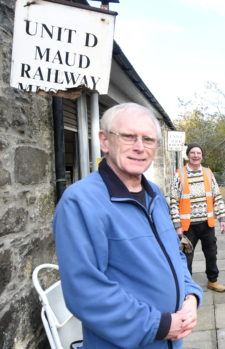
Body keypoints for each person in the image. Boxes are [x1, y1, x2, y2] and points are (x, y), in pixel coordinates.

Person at [53, 103, 203, 348]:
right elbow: (86, 291)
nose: (139, 147)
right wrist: (160, 325)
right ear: (104, 141)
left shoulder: (154, 193)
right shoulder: (80, 202)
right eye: (129, 136)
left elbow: (175, 255)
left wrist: (191, 296)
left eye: (148, 139)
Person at [169, 143, 225, 293]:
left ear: (202, 156)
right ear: (188, 155)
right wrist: (177, 225)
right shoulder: (179, 174)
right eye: (193, 153)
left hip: (207, 223)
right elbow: (173, 201)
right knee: (186, 257)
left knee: (211, 253)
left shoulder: (208, 173)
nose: (196, 156)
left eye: (198, 153)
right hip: (188, 227)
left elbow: (217, 197)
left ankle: (212, 281)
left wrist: (222, 219)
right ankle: (187, 287)